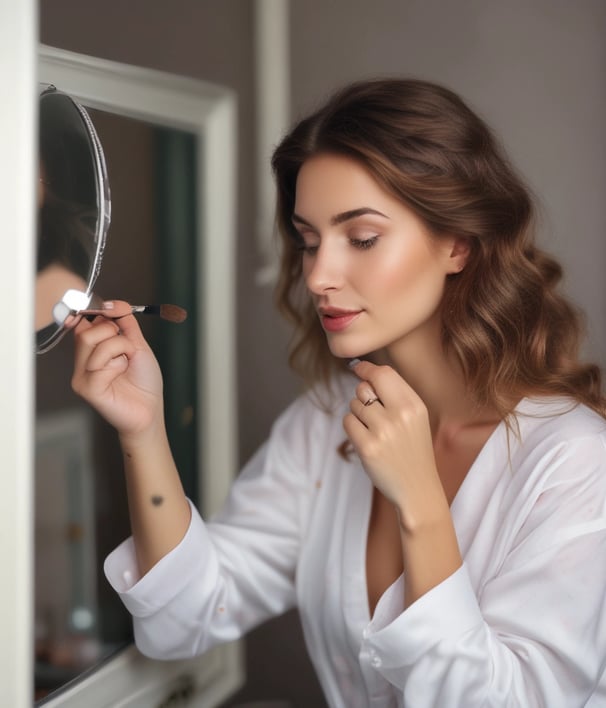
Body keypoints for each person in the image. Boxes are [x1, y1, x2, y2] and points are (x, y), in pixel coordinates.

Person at [71, 78, 606, 707]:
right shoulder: (322, 424)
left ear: (457, 243)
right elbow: (182, 618)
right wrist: (143, 430)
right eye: (309, 240)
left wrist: (420, 504)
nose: (320, 276)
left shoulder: (575, 462)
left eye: (363, 238)